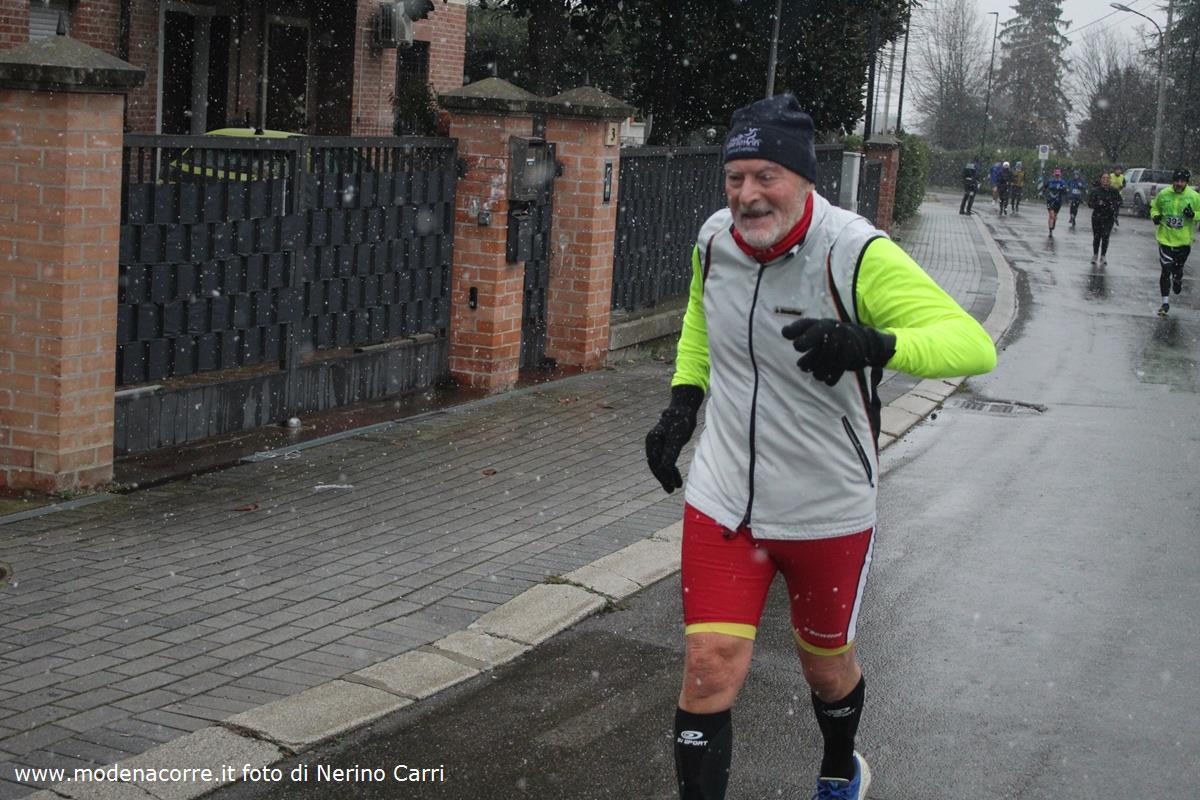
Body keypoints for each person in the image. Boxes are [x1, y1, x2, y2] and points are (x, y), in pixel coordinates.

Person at [643, 93, 997, 800]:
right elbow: (700, 319)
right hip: (725, 497)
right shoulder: (714, 240)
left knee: (826, 667)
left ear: (805, 179)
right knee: (709, 666)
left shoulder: (854, 252)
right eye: (735, 177)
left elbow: (972, 345)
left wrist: (873, 343)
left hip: (827, 506)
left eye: (765, 176)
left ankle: (840, 765)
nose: (747, 194)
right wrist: (684, 401)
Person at [1150, 168, 1199, 317]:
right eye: (1176, 181)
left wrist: (1193, 215)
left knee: (1177, 269)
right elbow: (1154, 207)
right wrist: (1155, 216)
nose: (1179, 183)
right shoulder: (1164, 194)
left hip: (1183, 241)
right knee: (1166, 269)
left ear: (1186, 182)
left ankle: (1178, 279)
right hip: (1165, 239)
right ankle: (1165, 303)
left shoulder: (1194, 196)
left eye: (1182, 181)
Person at [1087, 172, 1121, 265]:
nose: (1106, 180)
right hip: (1097, 217)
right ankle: (1095, 254)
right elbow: (1090, 203)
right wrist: (1098, 203)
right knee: (1097, 236)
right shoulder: (1096, 191)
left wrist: (1112, 204)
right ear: (1100, 180)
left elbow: (1119, 201)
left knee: (1105, 236)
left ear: (1110, 180)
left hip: (1109, 217)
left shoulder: (1114, 191)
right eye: (1103, 178)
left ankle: (1103, 255)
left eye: (1107, 178)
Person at [1041, 168, 1068, 237]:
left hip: (1058, 202)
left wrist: (1064, 189)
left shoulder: (1062, 182)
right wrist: (1043, 193)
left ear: (1060, 175)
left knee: (1055, 216)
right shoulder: (1050, 181)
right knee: (1051, 215)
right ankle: (1050, 231)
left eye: (1058, 175)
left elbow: (1065, 191)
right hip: (1050, 200)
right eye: (1056, 175)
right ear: (1054, 175)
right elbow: (1044, 188)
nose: (1057, 176)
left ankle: (1053, 223)